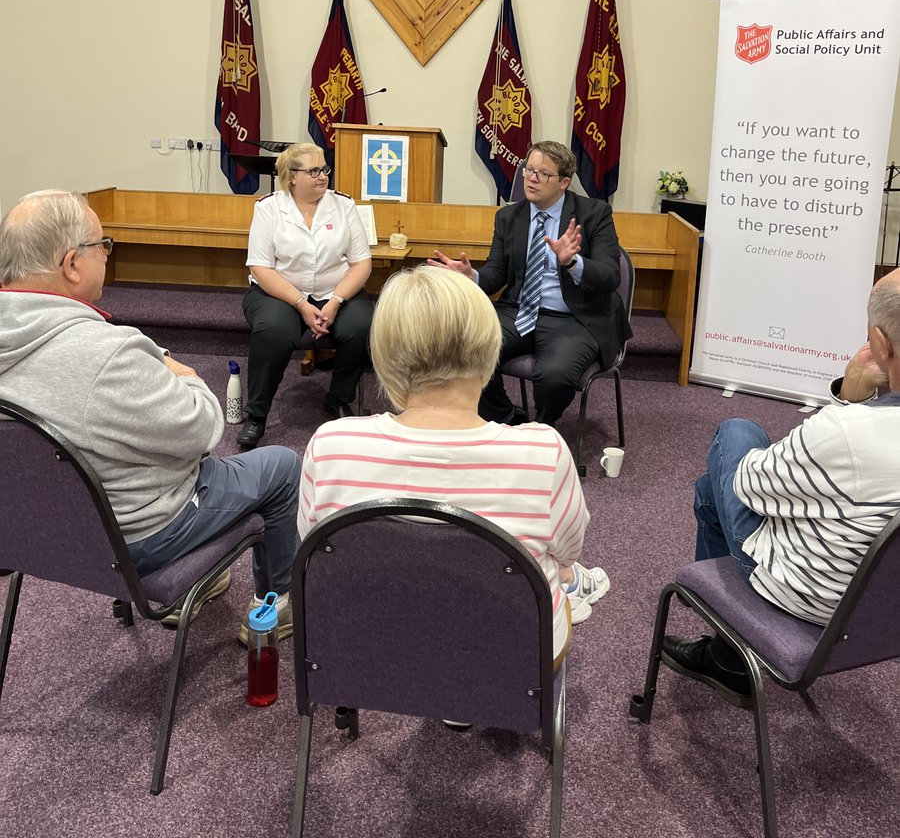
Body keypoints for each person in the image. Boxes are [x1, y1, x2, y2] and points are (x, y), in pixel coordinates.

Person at [0, 190, 300, 644]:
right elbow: (203, 428)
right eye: (103, 246)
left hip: (35, 537)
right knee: (281, 466)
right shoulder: (109, 355)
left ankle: (207, 573)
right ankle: (278, 604)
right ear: (71, 264)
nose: (106, 256)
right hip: (136, 540)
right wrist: (181, 371)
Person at [298, 264, 611, 664]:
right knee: (561, 572)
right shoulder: (543, 453)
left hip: (368, 649)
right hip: (504, 659)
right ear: (488, 346)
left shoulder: (330, 445)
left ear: (385, 352)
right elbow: (567, 550)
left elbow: (313, 554)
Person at [663, 268, 900, 708]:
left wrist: (847, 401)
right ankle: (725, 652)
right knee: (714, 488)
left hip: (815, 601)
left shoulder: (848, 432)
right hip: (883, 612)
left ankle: (728, 656)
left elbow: (751, 487)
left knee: (735, 437)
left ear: (881, 345)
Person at [429, 140, 630, 427]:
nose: (532, 178)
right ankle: (507, 419)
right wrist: (471, 277)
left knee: (555, 376)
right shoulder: (509, 217)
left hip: (575, 317)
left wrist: (572, 262)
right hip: (520, 310)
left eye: (543, 174)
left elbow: (611, 276)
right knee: (464, 348)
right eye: (528, 169)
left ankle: (541, 429)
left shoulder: (594, 214)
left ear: (564, 182)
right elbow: (496, 272)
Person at [239, 141, 373, 448]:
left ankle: (338, 398)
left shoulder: (343, 206)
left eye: (324, 168)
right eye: (313, 170)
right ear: (292, 176)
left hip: (336, 291)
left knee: (361, 326)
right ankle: (257, 415)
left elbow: (361, 263)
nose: (323, 176)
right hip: (279, 293)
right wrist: (301, 304)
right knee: (273, 330)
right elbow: (261, 268)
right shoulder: (269, 208)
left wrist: (337, 300)